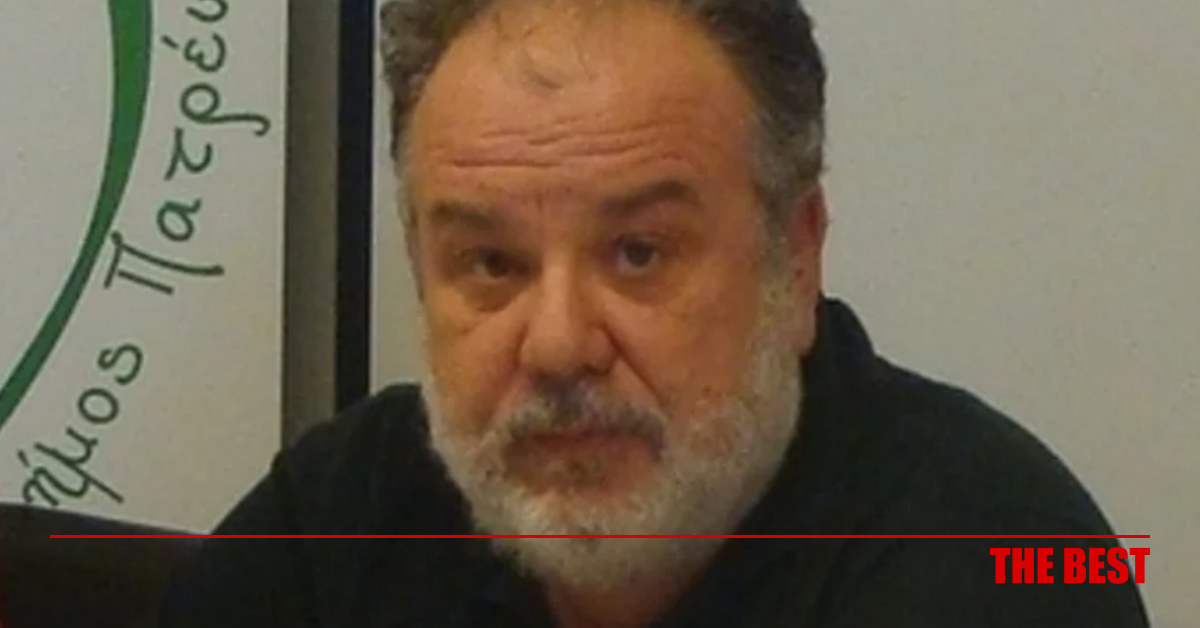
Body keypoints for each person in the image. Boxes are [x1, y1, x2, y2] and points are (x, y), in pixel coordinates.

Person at [153, 0, 1150, 626]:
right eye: (492, 263)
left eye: (638, 253)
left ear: (796, 257)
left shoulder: (989, 562)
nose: (557, 344)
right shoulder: (346, 519)